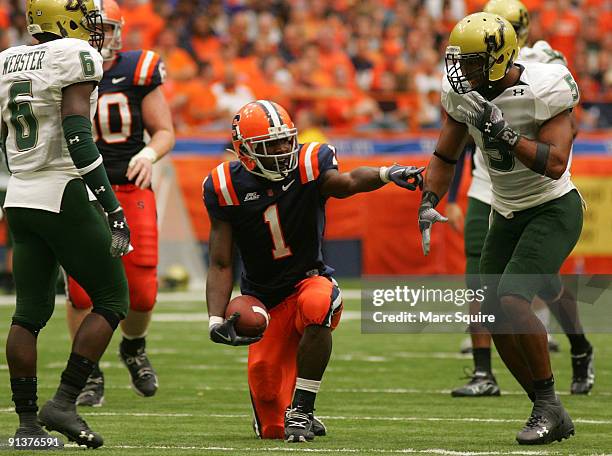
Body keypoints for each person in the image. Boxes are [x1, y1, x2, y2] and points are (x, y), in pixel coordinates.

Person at [203, 100, 423, 443]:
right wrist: (215, 319)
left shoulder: (309, 162)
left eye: (285, 141)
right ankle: (280, 411)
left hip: (308, 280)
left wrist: (385, 173)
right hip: (263, 300)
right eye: (269, 145)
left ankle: (303, 408)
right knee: (271, 428)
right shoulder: (224, 186)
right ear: (244, 151)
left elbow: (347, 181)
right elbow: (220, 261)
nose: (281, 150)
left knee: (319, 303)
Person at [418, 12, 581, 444]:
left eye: (472, 61)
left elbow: (554, 163)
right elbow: (445, 155)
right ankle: (547, 406)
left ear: (498, 57)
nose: (462, 70)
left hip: (552, 207)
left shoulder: (545, 85)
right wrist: (429, 200)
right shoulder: (461, 93)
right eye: (460, 60)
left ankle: (550, 400)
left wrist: (506, 134)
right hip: (504, 212)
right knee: (490, 310)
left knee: (512, 299)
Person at [0, 0, 131, 449]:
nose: (94, 28)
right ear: (66, 16)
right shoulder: (74, 55)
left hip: (19, 192)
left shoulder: (7, 59)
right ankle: (63, 403)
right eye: (87, 18)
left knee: (30, 314)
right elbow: (77, 132)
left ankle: (27, 426)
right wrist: (112, 206)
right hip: (61, 189)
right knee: (114, 298)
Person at [447, 0, 594, 398]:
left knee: (538, 284)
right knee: (484, 283)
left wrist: (512, 136)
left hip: (543, 188)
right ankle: (486, 373)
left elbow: (561, 144)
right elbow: (451, 145)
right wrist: (439, 194)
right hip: (490, 186)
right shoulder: (465, 83)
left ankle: (577, 348)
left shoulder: (544, 70)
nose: (466, 69)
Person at [65, 0, 175, 406]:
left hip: (129, 185)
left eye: (105, 28)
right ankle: (87, 370)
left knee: (142, 291)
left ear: (119, 30)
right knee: (81, 291)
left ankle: (133, 346)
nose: (99, 36)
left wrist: (148, 155)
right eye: (91, 28)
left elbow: (164, 130)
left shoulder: (137, 67)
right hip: (80, 190)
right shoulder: (60, 67)